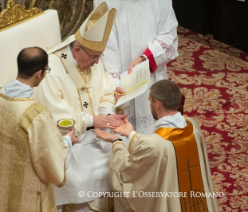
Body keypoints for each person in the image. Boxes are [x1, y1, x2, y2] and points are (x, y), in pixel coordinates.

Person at [34, 2, 128, 211]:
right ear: (77, 50)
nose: (96, 63)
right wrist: (92, 121)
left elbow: (106, 89)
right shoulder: (51, 69)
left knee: (125, 151)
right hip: (67, 138)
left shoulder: (90, 57)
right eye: (94, 58)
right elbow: (52, 112)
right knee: (83, 172)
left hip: (96, 132)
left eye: (98, 57)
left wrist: (106, 115)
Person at [0, 47, 79, 212]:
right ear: (39, 73)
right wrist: (67, 139)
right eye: (47, 70)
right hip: (25, 193)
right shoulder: (36, 114)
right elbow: (53, 163)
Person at [95, 80, 219, 212]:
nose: (149, 106)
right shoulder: (193, 127)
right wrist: (130, 133)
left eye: (150, 101)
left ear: (157, 104)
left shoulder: (154, 145)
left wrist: (117, 142)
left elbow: (125, 174)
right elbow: (160, 144)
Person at [93, 0, 179, 135]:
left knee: (153, 133)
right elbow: (106, 45)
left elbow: (169, 35)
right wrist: (114, 81)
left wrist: (145, 58)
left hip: (150, 73)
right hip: (120, 74)